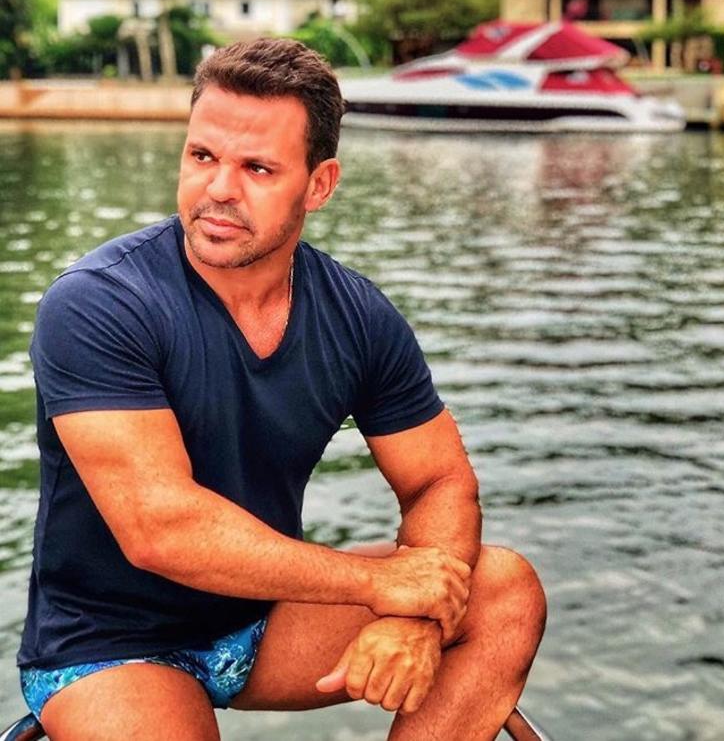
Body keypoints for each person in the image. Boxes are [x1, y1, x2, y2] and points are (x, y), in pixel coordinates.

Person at [17, 38, 546, 740]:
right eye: (202, 156)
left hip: (264, 618)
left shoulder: (356, 315)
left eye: (257, 168)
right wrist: (378, 584)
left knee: (503, 589)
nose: (219, 189)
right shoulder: (99, 303)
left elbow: (439, 480)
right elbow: (160, 528)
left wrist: (418, 614)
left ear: (319, 185)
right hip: (109, 644)